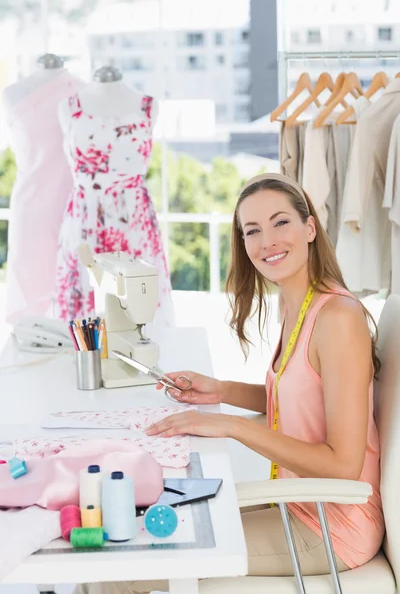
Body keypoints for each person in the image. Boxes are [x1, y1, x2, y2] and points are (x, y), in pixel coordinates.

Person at [74, 172, 384, 594]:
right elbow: (302, 398)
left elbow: (344, 467)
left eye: (280, 223)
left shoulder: (338, 318)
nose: (266, 241)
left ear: (309, 227)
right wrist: (221, 391)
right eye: (252, 231)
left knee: (118, 572)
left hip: (332, 525)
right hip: (298, 500)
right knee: (133, 524)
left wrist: (231, 426)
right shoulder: (299, 303)